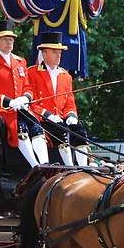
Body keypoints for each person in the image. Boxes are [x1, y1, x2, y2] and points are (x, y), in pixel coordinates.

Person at [0, 20, 47, 167]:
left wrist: (25, 98)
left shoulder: (20, 61)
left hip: (21, 109)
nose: (10, 42)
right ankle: (35, 166)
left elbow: (28, 87)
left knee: (37, 127)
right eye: (5, 39)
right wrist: (10, 102)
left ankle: (45, 164)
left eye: (11, 39)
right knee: (20, 128)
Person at [27, 31, 92, 166]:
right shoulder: (31, 73)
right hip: (42, 121)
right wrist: (48, 115)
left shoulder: (65, 76)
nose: (59, 54)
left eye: (60, 51)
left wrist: (71, 116)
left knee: (79, 131)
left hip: (62, 120)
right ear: (44, 54)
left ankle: (84, 167)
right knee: (62, 132)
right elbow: (31, 103)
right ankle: (69, 168)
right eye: (54, 51)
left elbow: (69, 102)